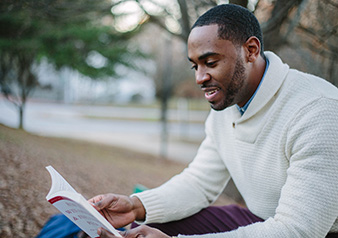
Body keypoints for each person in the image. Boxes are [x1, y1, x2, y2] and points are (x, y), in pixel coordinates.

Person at [89, 4, 338, 238]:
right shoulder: (229, 105)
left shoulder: (318, 111)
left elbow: (297, 231)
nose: (200, 77)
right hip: (262, 220)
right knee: (148, 225)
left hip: (315, 232)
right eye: (194, 66)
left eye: (210, 63)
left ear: (251, 50)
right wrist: (135, 206)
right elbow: (199, 183)